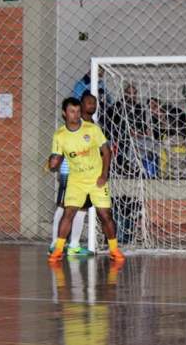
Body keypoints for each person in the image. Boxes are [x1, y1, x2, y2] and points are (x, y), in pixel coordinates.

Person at [48, 97, 124, 263]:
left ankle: (114, 250)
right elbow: (56, 157)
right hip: (76, 180)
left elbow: (107, 151)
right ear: (64, 113)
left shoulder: (92, 129)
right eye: (72, 112)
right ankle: (58, 250)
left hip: (96, 179)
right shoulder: (60, 135)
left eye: (77, 111)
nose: (76, 115)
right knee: (69, 212)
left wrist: (104, 174)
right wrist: (52, 162)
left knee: (105, 215)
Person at [48, 93, 99, 257]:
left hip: (88, 175)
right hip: (68, 172)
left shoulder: (92, 126)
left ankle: (74, 245)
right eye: (88, 102)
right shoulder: (68, 128)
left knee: (82, 208)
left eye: (94, 103)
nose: (92, 105)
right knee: (64, 207)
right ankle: (55, 244)